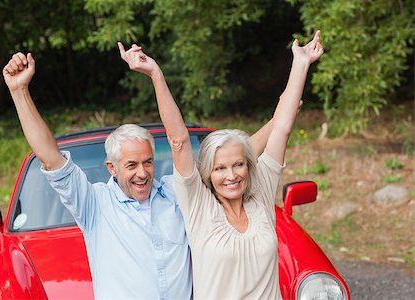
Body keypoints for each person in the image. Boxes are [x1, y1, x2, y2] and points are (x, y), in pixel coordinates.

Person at [118, 30, 324, 299]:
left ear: (249, 166)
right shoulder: (198, 206)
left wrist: (301, 63)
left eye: (238, 165)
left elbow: (282, 128)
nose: (231, 176)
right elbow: (178, 139)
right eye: (220, 168)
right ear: (208, 173)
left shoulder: (260, 194)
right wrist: (156, 74)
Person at [2, 53, 195, 299]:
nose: (142, 172)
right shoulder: (94, 204)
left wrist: (156, 75)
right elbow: (50, 159)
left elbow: (181, 142)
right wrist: (20, 92)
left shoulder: (174, 193)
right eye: (131, 165)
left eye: (148, 162)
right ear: (112, 168)